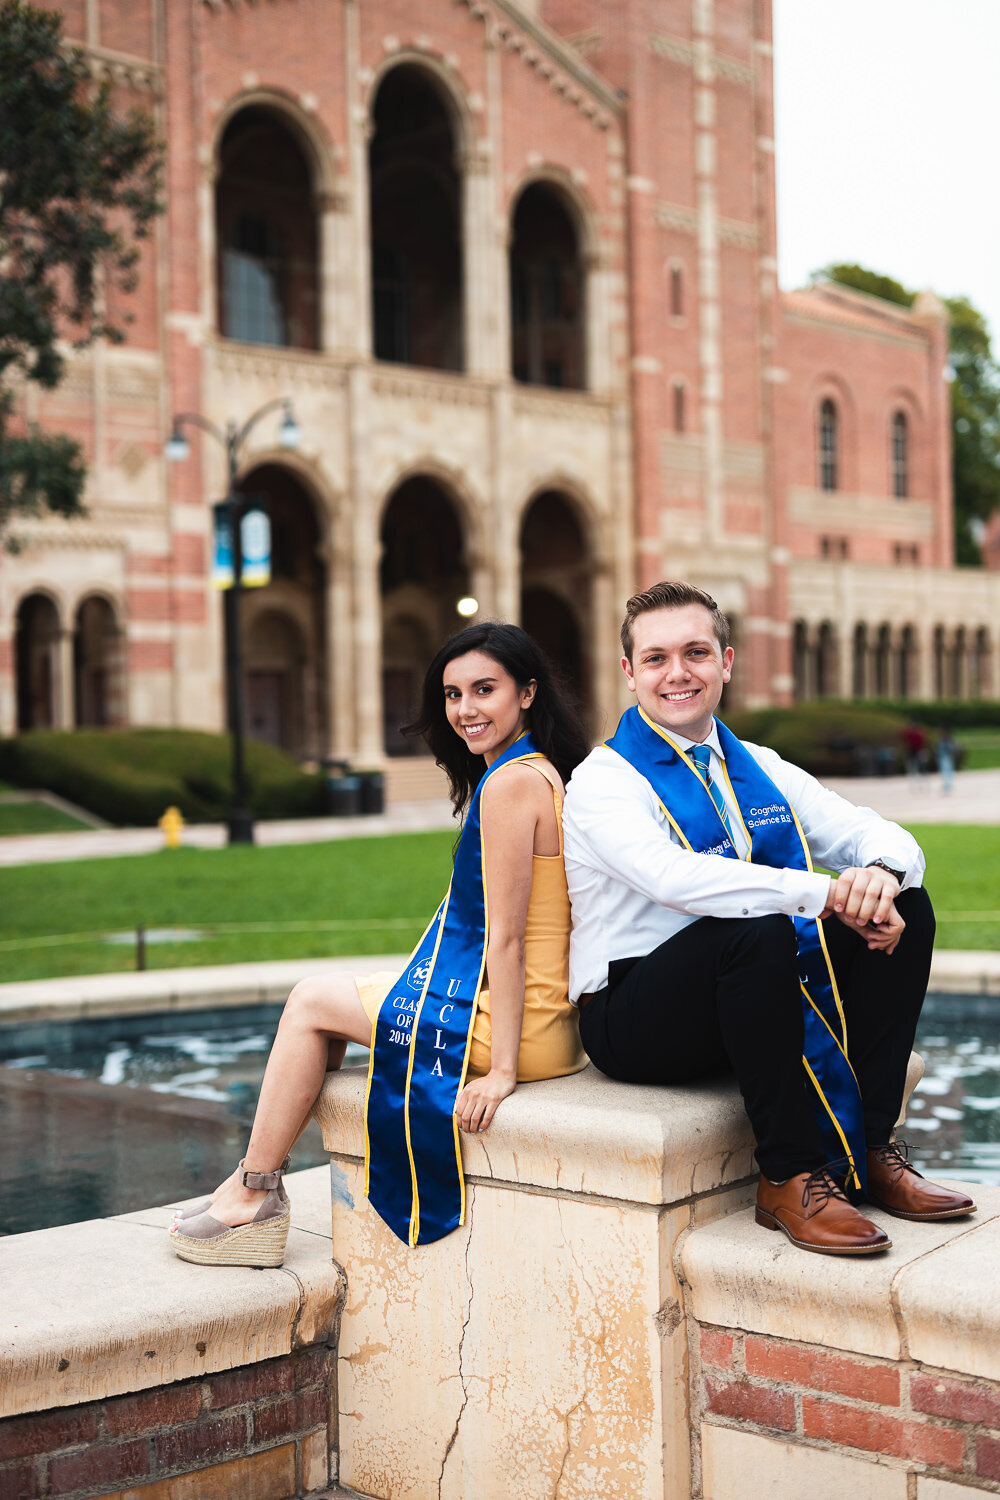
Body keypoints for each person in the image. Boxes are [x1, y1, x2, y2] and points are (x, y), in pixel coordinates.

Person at [562, 581, 975, 1257]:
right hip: (634, 1014)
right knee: (750, 931)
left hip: (746, 990)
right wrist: (821, 891)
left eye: (696, 652)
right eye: (658, 658)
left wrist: (880, 877)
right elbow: (675, 880)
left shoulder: (760, 767)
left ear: (725, 661)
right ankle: (787, 1175)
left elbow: (875, 832)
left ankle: (868, 1151)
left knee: (909, 908)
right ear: (630, 673)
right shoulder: (605, 780)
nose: (678, 673)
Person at [169, 623, 589, 1266]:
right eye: (452, 695)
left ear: (528, 693)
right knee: (335, 998)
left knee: (310, 1003)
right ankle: (251, 1184)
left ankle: (255, 1193)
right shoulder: (539, 771)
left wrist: (502, 1072)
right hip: (546, 1020)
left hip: (519, 1030)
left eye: (485, 690)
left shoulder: (509, 785)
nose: (465, 710)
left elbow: (504, 940)